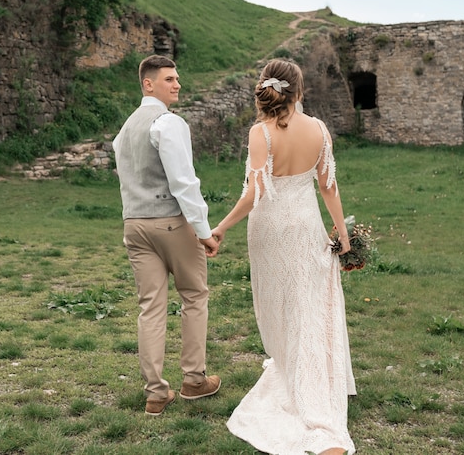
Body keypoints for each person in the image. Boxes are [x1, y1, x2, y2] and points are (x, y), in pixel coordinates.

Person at [212, 59, 356, 455]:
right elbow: (328, 186)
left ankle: (302, 388)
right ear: (300, 90)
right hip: (307, 226)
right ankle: (315, 378)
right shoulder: (320, 130)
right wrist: (342, 233)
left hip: (271, 231)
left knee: (278, 306)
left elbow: (255, 192)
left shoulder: (262, 134)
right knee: (309, 306)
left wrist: (221, 227)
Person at [113, 54, 221, 417]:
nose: (177, 84)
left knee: (150, 308)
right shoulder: (168, 123)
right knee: (194, 295)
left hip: (134, 224)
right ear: (148, 83)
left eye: (177, 78)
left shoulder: (125, 129)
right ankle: (194, 380)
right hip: (171, 223)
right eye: (170, 79)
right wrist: (204, 232)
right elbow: (184, 183)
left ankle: (156, 394)